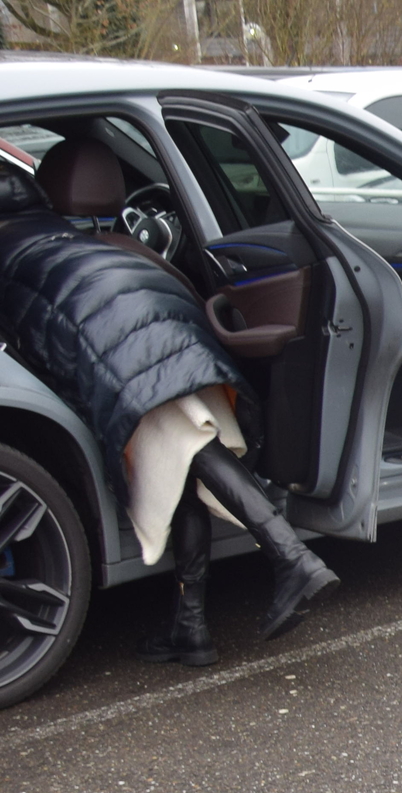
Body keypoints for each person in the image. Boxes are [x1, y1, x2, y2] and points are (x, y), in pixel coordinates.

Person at [0, 153, 337, 669]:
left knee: (182, 441)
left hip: (102, 323)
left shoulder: (13, 248)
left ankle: (292, 558)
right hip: (148, 296)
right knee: (181, 458)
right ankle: (191, 627)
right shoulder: (82, 232)